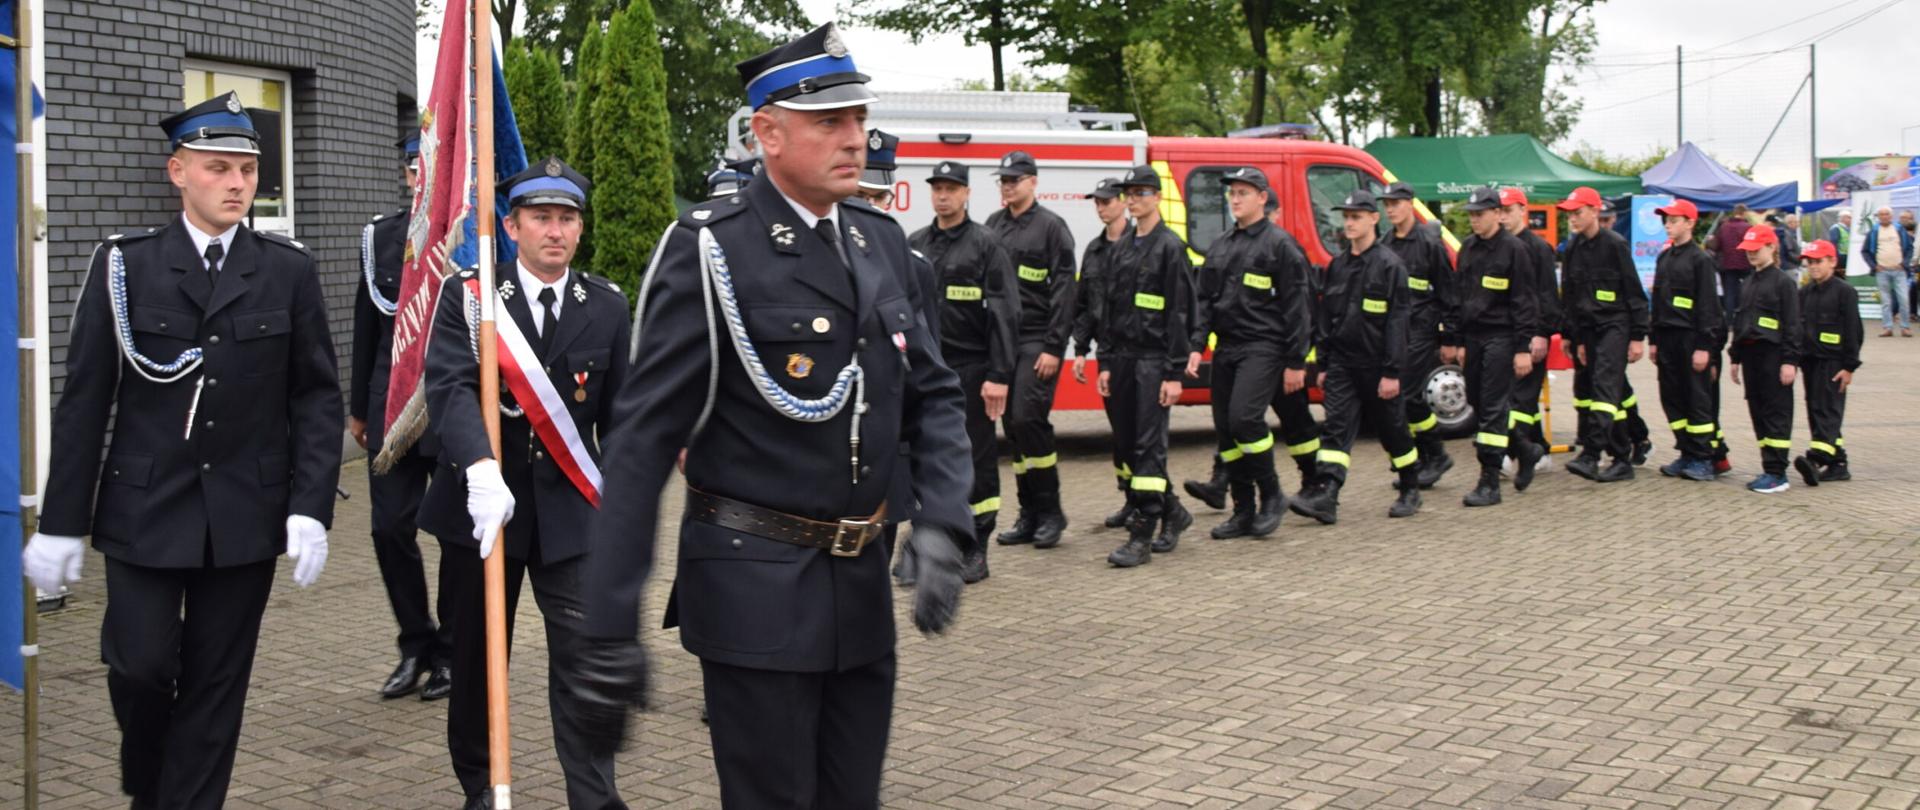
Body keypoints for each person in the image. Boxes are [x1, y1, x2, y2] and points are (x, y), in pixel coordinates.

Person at [571, 24, 975, 809]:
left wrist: (944, 523)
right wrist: (608, 625)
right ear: (768, 133)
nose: (854, 138)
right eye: (829, 121)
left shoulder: (879, 242)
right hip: (753, 591)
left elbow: (934, 396)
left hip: (859, 593)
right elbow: (642, 445)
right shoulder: (711, 249)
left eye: (859, 118)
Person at [21, 92, 342, 808]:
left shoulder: (286, 269)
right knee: (138, 666)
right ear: (178, 172)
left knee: (215, 686)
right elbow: (86, 401)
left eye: (247, 171)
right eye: (218, 168)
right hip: (145, 508)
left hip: (246, 512)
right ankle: (151, 785)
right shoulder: (124, 265)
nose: (237, 184)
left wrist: (310, 504)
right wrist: (62, 521)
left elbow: (315, 396)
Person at [418, 157, 632, 809]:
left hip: (572, 513)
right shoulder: (471, 297)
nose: (555, 230)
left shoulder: (607, 305)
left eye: (567, 218)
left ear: (580, 228)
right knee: (478, 664)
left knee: (585, 665)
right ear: (511, 227)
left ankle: (594, 798)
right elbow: (450, 387)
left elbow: (621, 415)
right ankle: (484, 789)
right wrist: (480, 467)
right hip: (483, 510)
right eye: (541, 217)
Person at [351, 132, 454, 702]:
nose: (422, 179)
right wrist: (356, 407)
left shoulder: (467, 236)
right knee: (389, 528)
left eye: (432, 168)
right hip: (390, 406)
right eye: (416, 170)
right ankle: (416, 643)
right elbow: (367, 325)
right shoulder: (379, 238)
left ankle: (454, 652)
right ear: (407, 174)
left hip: (453, 407)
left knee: (458, 535)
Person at [1185, 167, 1309, 538]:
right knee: (1226, 432)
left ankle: (1272, 495)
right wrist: (1196, 347)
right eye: (1233, 193)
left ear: (1262, 198)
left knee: (1244, 419)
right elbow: (1204, 301)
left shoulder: (1280, 245)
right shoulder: (1221, 244)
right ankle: (1243, 511)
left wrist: (1296, 361)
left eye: (1243, 192)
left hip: (1264, 346)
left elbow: (1298, 308)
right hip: (1226, 348)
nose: (1235, 199)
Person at [909, 160, 1019, 575]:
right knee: (926, 456)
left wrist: (999, 376)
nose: (943, 195)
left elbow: (1005, 313)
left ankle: (976, 545)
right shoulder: (916, 243)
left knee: (976, 457)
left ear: (967, 194)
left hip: (972, 369)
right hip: (927, 369)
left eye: (951, 188)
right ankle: (932, 543)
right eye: (937, 188)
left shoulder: (986, 244)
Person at [1290, 189, 1421, 523]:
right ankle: (1327, 495)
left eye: (1356, 217)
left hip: (1378, 366)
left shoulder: (1390, 266)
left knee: (1392, 429)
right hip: (1343, 364)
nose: (1349, 223)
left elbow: (1398, 323)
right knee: (1336, 428)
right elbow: (1326, 318)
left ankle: (1410, 486)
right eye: (1346, 217)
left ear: (1373, 219)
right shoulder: (1338, 265)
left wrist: (1392, 372)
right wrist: (1323, 363)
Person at [1097, 163, 1196, 566]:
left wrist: (1174, 373)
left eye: (1141, 193)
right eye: (1130, 193)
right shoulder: (1122, 247)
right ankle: (1175, 512)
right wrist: (1105, 362)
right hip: (1122, 359)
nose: (1134, 199)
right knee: (1128, 446)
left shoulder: (1171, 248)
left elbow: (1181, 314)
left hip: (1154, 361)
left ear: (1157, 197)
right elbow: (1110, 310)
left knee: (1149, 449)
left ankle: (1141, 533)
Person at [985, 150, 1076, 548]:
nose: (1007, 186)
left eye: (1014, 180)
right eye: (1003, 180)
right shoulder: (993, 226)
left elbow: (1065, 290)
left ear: (1033, 182)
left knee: (1027, 419)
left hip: (1038, 339)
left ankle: (1051, 511)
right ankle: (1029, 513)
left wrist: (1055, 347)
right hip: (1003, 341)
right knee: (1011, 428)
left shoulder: (1052, 228)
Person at [1450, 186, 1537, 507]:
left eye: (1480, 214)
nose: (1474, 220)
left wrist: (1523, 347)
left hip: (1503, 336)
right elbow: (1460, 296)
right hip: (1474, 337)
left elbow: (1525, 302)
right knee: (1477, 400)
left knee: (1492, 407)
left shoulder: (1515, 250)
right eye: (1471, 215)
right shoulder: (1468, 248)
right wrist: (1459, 341)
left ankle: (1489, 480)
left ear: (1498, 214)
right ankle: (1525, 449)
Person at [1557, 186, 1650, 483]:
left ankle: (1591, 453)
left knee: (1604, 388)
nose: (1572, 218)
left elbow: (1634, 293)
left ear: (1595, 212)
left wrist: (1637, 336)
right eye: (1569, 214)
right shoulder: (1573, 247)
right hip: (1588, 329)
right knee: (1613, 394)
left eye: (1578, 212)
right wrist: (1573, 336)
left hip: (1615, 325)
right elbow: (1571, 295)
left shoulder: (1615, 245)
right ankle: (1621, 457)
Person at [1379, 181, 1457, 489]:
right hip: (1393, 332)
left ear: (1410, 204)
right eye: (1386, 205)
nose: (1390, 210)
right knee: (1399, 399)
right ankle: (1424, 456)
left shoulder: (1429, 244)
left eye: (1395, 204)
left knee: (1409, 395)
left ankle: (1436, 453)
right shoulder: (1385, 243)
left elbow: (1449, 292)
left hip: (1421, 329)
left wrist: (1450, 337)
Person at [1072, 177, 1137, 527]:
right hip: (1107, 353)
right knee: (1120, 431)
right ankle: (1130, 497)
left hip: (1137, 352)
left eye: (1107, 201)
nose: (1101, 207)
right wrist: (1081, 350)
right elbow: (1083, 305)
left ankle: (1149, 502)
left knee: (1138, 430)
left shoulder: (1139, 245)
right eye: (1097, 202)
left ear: (1123, 202)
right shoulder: (1094, 251)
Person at [1647, 198, 1724, 482]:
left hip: (1691, 338)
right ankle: (1686, 451)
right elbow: (1657, 301)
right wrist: (1653, 339)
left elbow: (1708, 307)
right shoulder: (1664, 258)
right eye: (1665, 221)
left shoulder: (1701, 260)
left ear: (1690, 223)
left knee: (1697, 398)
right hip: (1666, 337)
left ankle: (1704, 457)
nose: (1668, 225)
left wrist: (1705, 347)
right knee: (1672, 397)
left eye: (1674, 220)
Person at [1726, 224, 1801, 494]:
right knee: (1758, 411)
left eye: (1756, 249)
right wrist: (1735, 357)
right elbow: (1740, 320)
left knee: (1776, 412)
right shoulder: (1748, 282)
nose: (1751, 254)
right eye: (1747, 250)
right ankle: (1768, 467)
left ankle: (1778, 472)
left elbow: (1792, 325)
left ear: (1771, 247)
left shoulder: (1783, 283)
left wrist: (1789, 361)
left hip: (1774, 355)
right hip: (1751, 356)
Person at [1497, 187, 1555, 491]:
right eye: (1499, 211)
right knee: (1515, 398)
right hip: (1506, 334)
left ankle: (1511, 453)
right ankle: (1539, 449)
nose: (1503, 217)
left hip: (1531, 336)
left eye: (1508, 211)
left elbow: (1547, 295)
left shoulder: (1538, 248)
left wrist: (1541, 333)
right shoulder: (1499, 246)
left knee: (1521, 400)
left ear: (1523, 210)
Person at [1793, 239, 1861, 486]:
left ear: (1832, 262)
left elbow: (1854, 331)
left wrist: (1849, 366)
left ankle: (1816, 458)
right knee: (1815, 408)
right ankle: (1837, 463)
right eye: (1809, 262)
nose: (1813, 266)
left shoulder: (1845, 292)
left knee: (1828, 410)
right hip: (1810, 361)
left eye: (1818, 261)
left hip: (1834, 362)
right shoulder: (1805, 293)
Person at [1860, 205, 1913, 337]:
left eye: (1886, 214)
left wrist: (1904, 263)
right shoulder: (1874, 231)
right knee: (1886, 301)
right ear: (1878, 217)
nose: (1884, 216)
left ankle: (1905, 327)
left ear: (1891, 216)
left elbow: (1909, 248)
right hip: (1882, 271)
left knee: (1904, 299)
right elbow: (1865, 251)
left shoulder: (1899, 229)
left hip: (1899, 270)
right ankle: (1887, 327)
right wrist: (1874, 266)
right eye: (1881, 214)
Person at [1709, 203, 1754, 313]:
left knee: (1729, 293)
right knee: (1748, 291)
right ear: (1744, 213)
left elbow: (1716, 245)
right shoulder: (1748, 227)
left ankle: (1729, 319)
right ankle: (1744, 316)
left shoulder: (1724, 227)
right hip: (1745, 264)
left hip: (1727, 264)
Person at [1828, 209, 1852, 273]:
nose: (1851, 220)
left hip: (1847, 255)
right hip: (1841, 257)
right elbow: (1833, 244)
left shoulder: (1849, 229)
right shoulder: (1836, 228)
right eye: (1849, 218)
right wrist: (1836, 257)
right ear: (1843, 218)